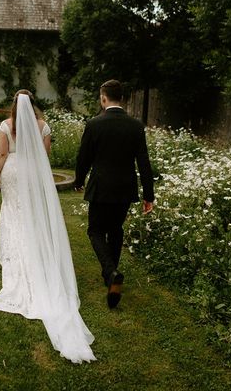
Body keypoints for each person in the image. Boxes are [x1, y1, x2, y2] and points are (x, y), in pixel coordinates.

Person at [0, 89, 96, 364]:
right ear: (32, 104)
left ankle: (18, 258)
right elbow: (45, 155)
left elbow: (2, 153)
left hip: (13, 171)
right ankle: (36, 250)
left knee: (13, 212)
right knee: (32, 216)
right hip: (32, 172)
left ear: (14, 104)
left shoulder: (6, 126)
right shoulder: (43, 125)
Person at [74, 79, 155, 309]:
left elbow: (84, 157)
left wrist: (79, 180)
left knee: (95, 230)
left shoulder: (94, 124)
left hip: (101, 187)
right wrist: (149, 195)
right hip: (124, 188)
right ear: (123, 98)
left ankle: (111, 273)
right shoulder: (136, 126)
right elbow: (144, 163)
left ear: (103, 98)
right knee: (115, 229)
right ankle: (111, 277)